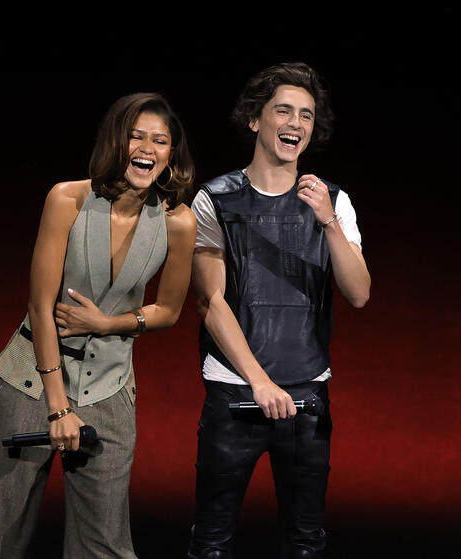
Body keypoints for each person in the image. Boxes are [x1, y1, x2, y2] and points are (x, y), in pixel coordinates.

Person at [0, 93, 197, 559]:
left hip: (110, 385)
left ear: (171, 153)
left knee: (104, 544)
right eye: (136, 136)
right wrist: (58, 408)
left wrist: (107, 324)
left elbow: (168, 311)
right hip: (31, 380)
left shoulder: (178, 222)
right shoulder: (68, 199)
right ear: (115, 142)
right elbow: (41, 306)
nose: (147, 148)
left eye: (160, 141)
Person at [187, 62, 371, 559]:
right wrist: (259, 382)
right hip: (234, 394)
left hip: (308, 395)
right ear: (255, 120)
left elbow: (359, 294)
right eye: (283, 110)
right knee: (212, 541)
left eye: (306, 115)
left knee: (306, 541)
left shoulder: (333, 200)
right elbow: (211, 303)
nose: (295, 123)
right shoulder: (214, 200)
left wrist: (328, 222)